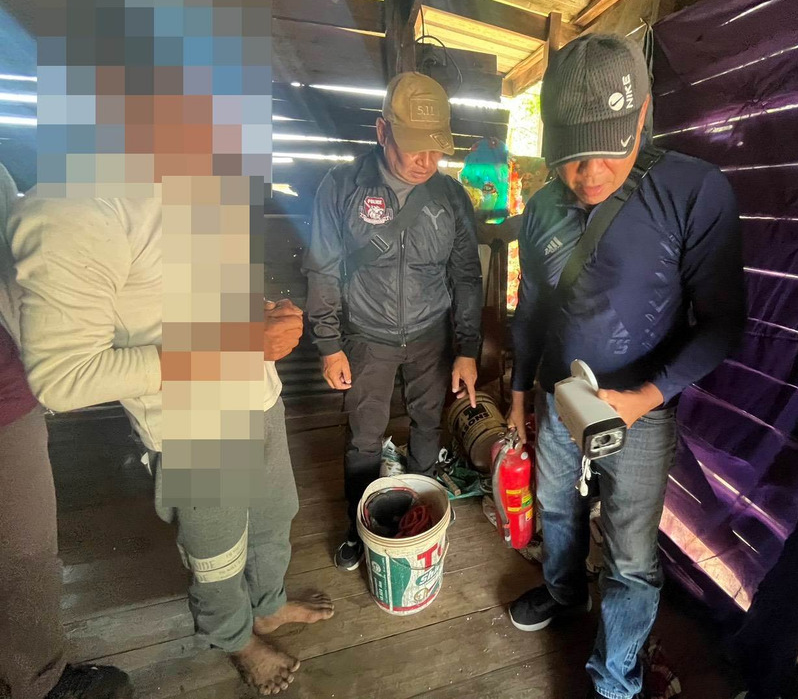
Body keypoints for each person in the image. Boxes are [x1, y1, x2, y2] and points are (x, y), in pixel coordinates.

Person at [1, 187, 333, 697]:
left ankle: (266, 607)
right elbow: (65, 377)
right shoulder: (72, 206)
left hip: (258, 393)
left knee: (274, 513)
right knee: (218, 552)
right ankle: (235, 638)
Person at [506, 34, 746, 699]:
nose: (589, 173)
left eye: (608, 148)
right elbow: (531, 308)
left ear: (641, 115)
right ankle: (565, 594)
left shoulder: (692, 191)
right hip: (560, 397)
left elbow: (723, 323)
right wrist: (521, 391)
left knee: (632, 554)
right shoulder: (543, 208)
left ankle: (614, 681)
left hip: (641, 411)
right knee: (555, 509)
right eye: (572, 154)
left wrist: (646, 396)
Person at [302, 72, 483, 571]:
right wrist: (329, 345)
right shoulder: (343, 187)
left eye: (436, 148)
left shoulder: (449, 196)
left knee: (428, 424)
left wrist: (467, 349)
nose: (427, 160)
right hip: (367, 336)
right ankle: (359, 527)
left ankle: (416, 515)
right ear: (382, 132)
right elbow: (322, 269)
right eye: (414, 146)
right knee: (364, 435)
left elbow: (467, 277)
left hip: (431, 335)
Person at [0, 164, 133, 699]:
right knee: (24, 552)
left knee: (23, 549)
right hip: (9, 393)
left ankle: (30, 675)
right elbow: (68, 380)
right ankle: (35, 681)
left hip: (9, 389)